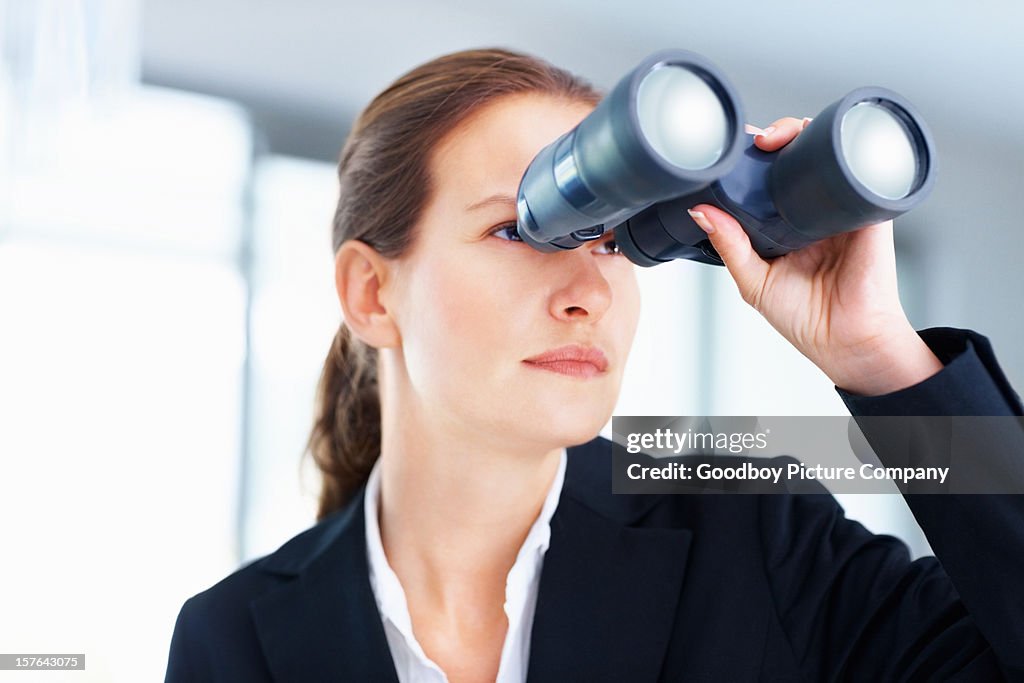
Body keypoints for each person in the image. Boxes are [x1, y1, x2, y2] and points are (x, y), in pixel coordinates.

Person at [165, 48, 1024, 682]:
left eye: (617, 240)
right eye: (518, 229)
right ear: (371, 292)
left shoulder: (750, 532)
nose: (590, 292)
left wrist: (884, 361)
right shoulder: (232, 640)